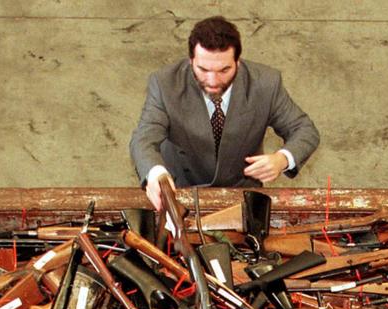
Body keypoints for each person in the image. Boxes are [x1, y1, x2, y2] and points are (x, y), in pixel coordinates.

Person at [130, 16, 320, 210]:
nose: (212, 81)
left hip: (242, 196)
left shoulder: (266, 84)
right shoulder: (164, 84)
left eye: (224, 70)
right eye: (203, 69)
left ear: (238, 61)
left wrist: (282, 159)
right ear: (191, 60)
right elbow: (143, 139)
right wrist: (155, 174)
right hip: (180, 193)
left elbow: (305, 130)